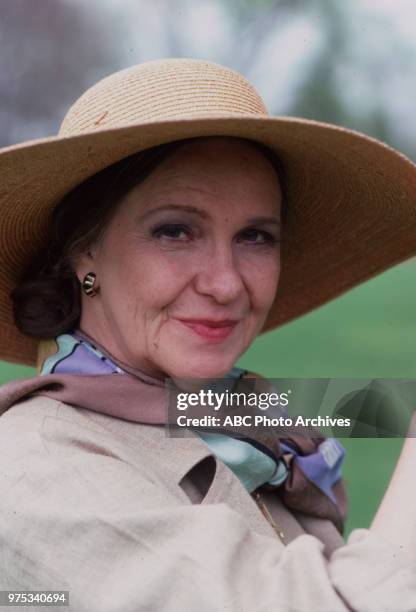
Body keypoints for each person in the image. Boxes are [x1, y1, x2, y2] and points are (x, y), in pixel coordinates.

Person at [0, 58, 415, 612]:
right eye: (175, 231)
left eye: (256, 236)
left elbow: (376, 404)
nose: (225, 283)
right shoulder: (35, 468)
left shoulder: (238, 419)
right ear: (83, 254)